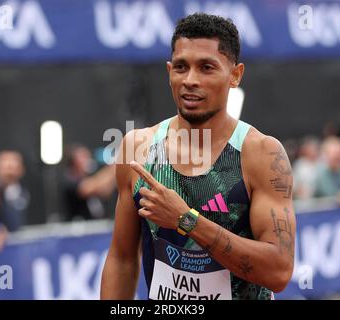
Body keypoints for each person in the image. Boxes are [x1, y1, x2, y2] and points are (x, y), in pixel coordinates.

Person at [101, 13, 296, 300]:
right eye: (181, 67)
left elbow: (278, 272)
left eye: (206, 67)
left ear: (235, 75)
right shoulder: (137, 148)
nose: (190, 80)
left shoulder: (261, 154)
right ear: (169, 71)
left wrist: (185, 219)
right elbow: (122, 258)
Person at [0, 150, 30, 231]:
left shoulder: (27, 192)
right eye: (5, 167)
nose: (9, 172)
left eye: (12, 167)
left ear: (21, 169)